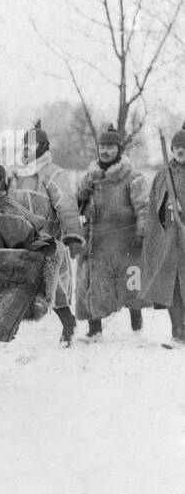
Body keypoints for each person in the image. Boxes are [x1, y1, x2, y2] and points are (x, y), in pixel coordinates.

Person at [9, 121, 86, 345]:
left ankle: (68, 323)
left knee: (54, 287)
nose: (27, 148)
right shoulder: (15, 174)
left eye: (33, 144)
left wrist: (72, 236)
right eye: (25, 143)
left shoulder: (53, 174)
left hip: (49, 240)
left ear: (44, 147)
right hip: (20, 238)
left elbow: (67, 205)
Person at [74, 124, 149, 340]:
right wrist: (83, 191)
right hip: (95, 240)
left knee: (130, 285)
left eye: (110, 147)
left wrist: (141, 234)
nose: (105, 151)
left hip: (124, 241)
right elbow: (77, 202)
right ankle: (94, 329)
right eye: (102, 147)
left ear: (119, 150)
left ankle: (136, 320)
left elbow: (143, 207)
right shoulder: (91, 176)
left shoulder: (132, 177)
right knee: (93, 284)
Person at [139, 122, 185, 344]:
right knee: (172, 286)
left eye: (184, 146)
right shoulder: (162, 174)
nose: (180, 150)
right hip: (169, 240)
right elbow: (153, 206)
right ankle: (177, 331)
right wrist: (167, 204)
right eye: (177, 146)